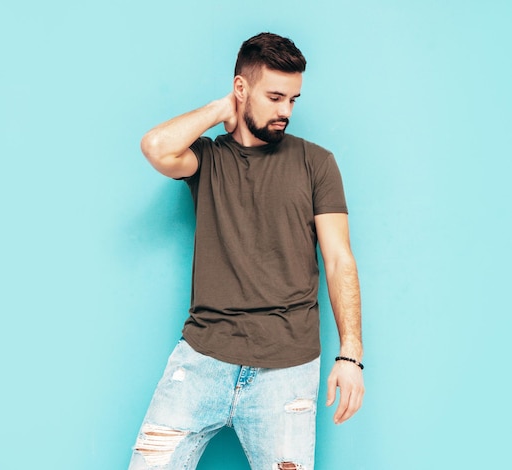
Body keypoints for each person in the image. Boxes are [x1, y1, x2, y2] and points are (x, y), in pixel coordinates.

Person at [129, 32, 364, 470]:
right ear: (242, 89)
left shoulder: (317, 163)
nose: (285, 112)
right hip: (202, 359)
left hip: (287, 370)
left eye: (293, 100)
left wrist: (351, 354)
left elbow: (339, 260)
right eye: (275, 97)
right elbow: (155, 147)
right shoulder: (208, 159)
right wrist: (222, 110)